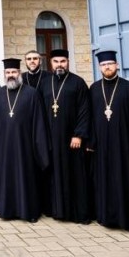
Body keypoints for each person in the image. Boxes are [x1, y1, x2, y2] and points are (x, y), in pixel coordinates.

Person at [0, 58, 50, 223]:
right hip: (3, 147)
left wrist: (38, 147)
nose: (11, 75)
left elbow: (38, 122)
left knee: (26, 178)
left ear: (19, 73)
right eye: (8, 72)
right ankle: (6, 210)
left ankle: (29, 211)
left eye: (14, 72)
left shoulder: (32, 93)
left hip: (25, 147)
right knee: (5, 179)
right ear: (4, 74)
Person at [87, 50, 129, 232]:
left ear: (117, 65)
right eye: (104, 65)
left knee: (126, 180)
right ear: (99, 68)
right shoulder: (94, 89)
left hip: (124, 147)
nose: (107, 67)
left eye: (110, 64)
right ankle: (108, 218)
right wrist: (91, 142)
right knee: (104, 180)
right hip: (102, 146)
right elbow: (89, 118)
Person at [37, 48, 92, 224]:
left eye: (63, 61)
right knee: (52, 175)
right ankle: (56, 210)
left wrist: (79, 134)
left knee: (74, 175)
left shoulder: (78, 83)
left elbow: (85, 111)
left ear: (67, 62)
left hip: (71, 140)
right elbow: (39, 112)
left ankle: (77, 213)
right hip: (51, 139)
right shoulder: (45, 83)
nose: (59, 64)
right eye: (56, 61)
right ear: (50, 63)